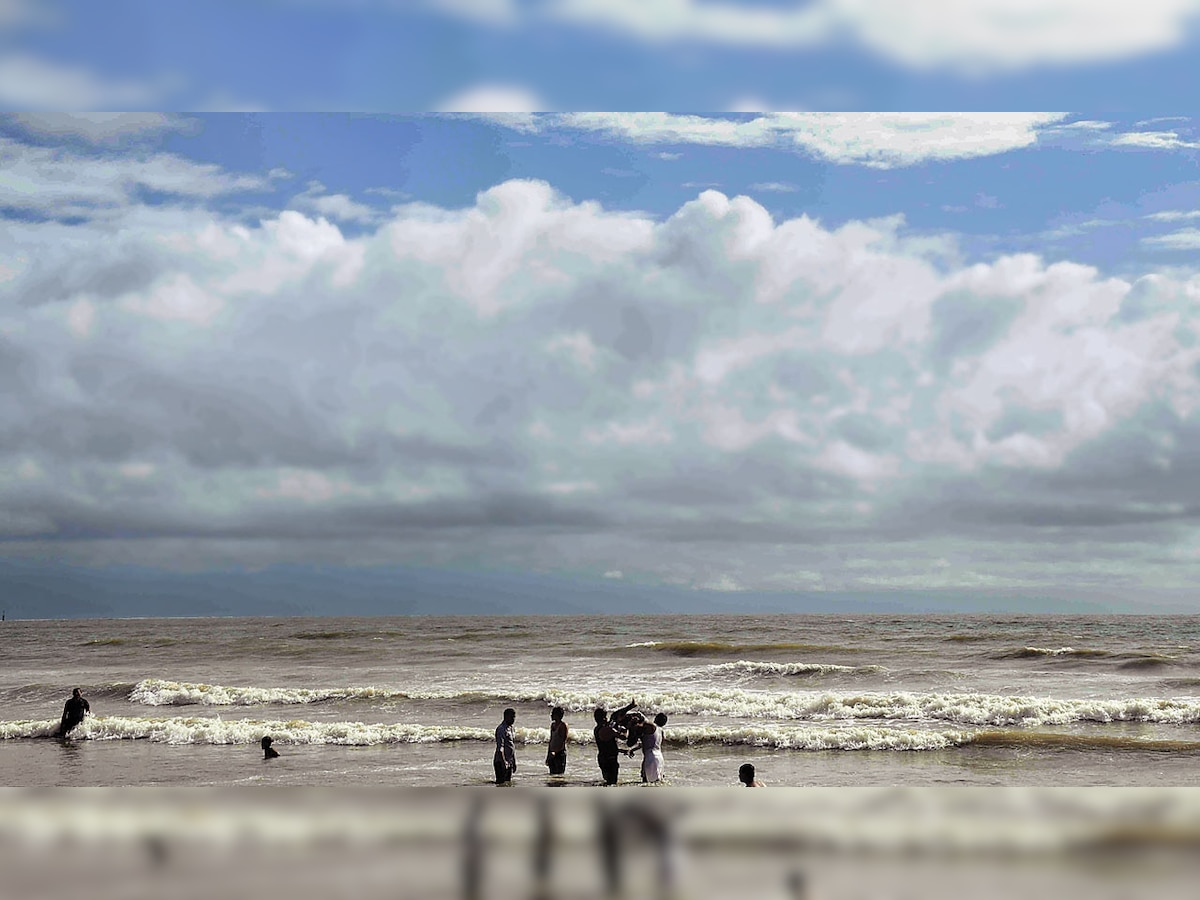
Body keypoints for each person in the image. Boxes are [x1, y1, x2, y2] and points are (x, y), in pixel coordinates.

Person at [639, 713, 667, 784]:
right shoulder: (661, 731)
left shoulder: (651, 727)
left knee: (647, 783)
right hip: (659, 756)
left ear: (656, 718)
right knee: (657, 782)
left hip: (650, 756)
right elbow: (651, 743)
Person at [494, 708, 517, 785]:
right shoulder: (501, 729)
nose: (513, 719)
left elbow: (512, 746)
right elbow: (500, 748)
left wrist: (514, 762)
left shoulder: (511, 728)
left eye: (514, 717)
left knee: (508, 783)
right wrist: (504, 763)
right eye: (512, 717)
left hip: (509, 760)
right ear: (506, 716)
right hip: (501, 761)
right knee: (501, 784)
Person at [546, 706, 568, 776]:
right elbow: (551, 740)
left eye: (553, 714)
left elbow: (563, 741)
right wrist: (548, 754)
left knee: (559, 774)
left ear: (557, 715)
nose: (551, 715)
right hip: (552, 753)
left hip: (560, 753)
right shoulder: (553, 725)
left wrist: (555, 752)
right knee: (552, 774)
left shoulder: (563, 725)